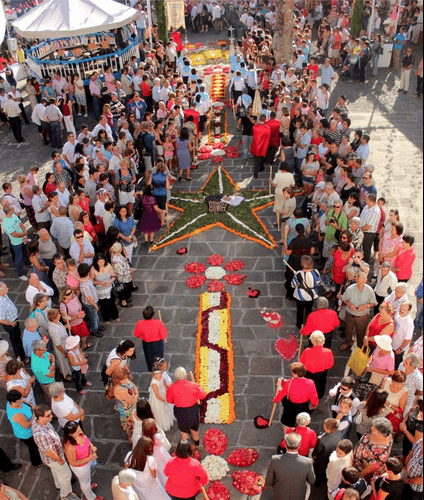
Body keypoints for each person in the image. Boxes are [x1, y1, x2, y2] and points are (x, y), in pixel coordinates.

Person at [32, 404, 75, 499]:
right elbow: (48, 451)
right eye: (48, 415)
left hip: (53, 456)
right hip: (54, 458)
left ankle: (59, 485)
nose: (51, 416)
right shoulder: (41, 434)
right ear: (40, 417)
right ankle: (65, 495)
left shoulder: (39, 422)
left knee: (56, 472)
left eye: (50, 414)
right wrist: (59, 459)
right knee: (66, 475)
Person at [260, 432, 315, 500]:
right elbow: (312, 481)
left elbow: (269, 481)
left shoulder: (275, 460)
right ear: (299, 445)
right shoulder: (307, 462)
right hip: (298, 495)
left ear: (285, 445)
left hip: (279, 494)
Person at [63, 421, 103, 500]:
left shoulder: (80, 434)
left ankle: (89, 485)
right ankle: (91, 497)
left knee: (87, 478)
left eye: (79, 428)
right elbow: (73, 462)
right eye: (77, 431)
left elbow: (87, 440)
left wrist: (92, 447)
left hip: (87, 461)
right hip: (81, 467)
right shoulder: (69, 446)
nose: (80, 431)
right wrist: (90, 458)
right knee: (84, 483)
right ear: (70, 434)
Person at [166, 366, 206, 444]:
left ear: (176, 377)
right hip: (192, 411)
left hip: (180, 412)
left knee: (183, 431)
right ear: (185, 376)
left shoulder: (171, 388)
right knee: (194, 430)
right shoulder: (193, 386)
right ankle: (196, 441)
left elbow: (169, 400)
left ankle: (186, 445)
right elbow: (203, 395)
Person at [274, 362, 319, 431]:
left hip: (291, 406)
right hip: (303, 406)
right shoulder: (310, 383)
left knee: (287, 423)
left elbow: (282, 393)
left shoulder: (289, 383)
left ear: (295, 374)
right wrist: (314, 405)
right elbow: (314, 396)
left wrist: (276, 399)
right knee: (302, 423)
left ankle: (287, 437)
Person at [341, 271, 377, 350]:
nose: (359, 284)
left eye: (361, 282)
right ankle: (347, 342)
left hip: (362, 316)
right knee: (348, 330)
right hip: (350, 314)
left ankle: (360, 347)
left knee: (361, 332)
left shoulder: (369, 290)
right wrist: (349, 304)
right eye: (358, 281)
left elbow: (374, 303)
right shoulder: (350, 288)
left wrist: (365, 306)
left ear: (365, 280)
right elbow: (344, 299)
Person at [6, 390, 43, 467]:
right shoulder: (17, 414)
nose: (21, 400)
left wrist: (30, 406)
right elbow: (26, 425)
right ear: (13, 402)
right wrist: (34, 414)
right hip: (27, 434)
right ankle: (37, 462)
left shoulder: (12, 403)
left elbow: (25, 403)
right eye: (19, 400)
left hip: (28, 430)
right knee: (33, 448)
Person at [353, 417, 393, 483]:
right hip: (357, 464)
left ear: (380, 433)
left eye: (374, 428)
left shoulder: (382, 451)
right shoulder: (373, 434)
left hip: (363, 472)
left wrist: (358, 476)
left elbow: (371, 467)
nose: (371, 428)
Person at [300, 330, 334, 399]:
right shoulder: (328, 352)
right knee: (320, 386)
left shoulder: (307, 351)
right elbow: (330, 364)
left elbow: (302, 362)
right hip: (322, 373)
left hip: (308, 373)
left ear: (312, 341)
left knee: (308, 386)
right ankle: (318, 396)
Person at [133, 306, 168, 372]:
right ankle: (160, 370)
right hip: (157, 344)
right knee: (159, 359)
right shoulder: (158, 323)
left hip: (147, 345)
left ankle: (152, 371)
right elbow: (163, 336)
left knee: (149, 359)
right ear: (153, 315)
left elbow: (136, 335)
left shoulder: (139, 324)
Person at [291, 255, 321, 329]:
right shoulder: (316, 272)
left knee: (300, 310)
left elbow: (293, 285)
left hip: (300, 296)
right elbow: (318, 283)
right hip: (311, 296)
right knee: (309, 310)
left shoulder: (298, 274)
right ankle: (308, 324)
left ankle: (299, 324)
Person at [313, 418, 343, 486]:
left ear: (327, 429)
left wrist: (314, 456)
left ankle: (317, 483)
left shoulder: (322, 440)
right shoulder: (339, 433)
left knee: (319, 471)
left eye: (324, 425)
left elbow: (317, 450)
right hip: (333, 457)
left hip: (322, 459)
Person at [142, 418, 171, 487]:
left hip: (151, 458)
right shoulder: (158, 436)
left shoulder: (142, 439)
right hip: (160, 454)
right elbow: (162, 443)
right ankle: (167, 482)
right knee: (163, 467)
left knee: (158, 471)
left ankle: (161, 482)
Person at [112, 367, 139, 440]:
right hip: (127, 409)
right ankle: (130, 436)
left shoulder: (125, 381)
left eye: (126, 377)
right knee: (129, 424)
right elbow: (129, 400)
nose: (126, 380)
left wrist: (136, 395)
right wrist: (135, 398)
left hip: (133, 404)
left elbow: (134, 386)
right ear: (118, 379)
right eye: (124, 379)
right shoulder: (119, 390)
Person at [149, 361, 174, 432]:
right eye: (157, 375)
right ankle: (162, 425)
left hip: (163, 393)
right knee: (161, 411)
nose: (159, 376)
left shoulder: (161, 377)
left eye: (160, 374)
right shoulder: (154, 383)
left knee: (168, 409)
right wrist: (164, 400)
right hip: (159, 398)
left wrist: (168, 390)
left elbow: (164, 383)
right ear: (154, 375)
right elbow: (157, 395)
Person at [30, 339, 55, 404]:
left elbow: (52, 356)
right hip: (47, 383)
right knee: (51, 398)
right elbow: (52, 375)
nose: (45, 350)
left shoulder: (40, 353)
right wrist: (52, 367)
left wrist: (52, 365)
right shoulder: (37, 364)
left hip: (49, 379)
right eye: (43, 349)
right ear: (37, 351)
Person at [251, 114, 271, 178]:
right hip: (263, 146)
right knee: (262, 158)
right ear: (265, 119)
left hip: (256, 145)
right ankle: (261, 167)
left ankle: (255, 173)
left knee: (256, 161)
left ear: (259, 119)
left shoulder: (255, 127)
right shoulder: (267, 128)